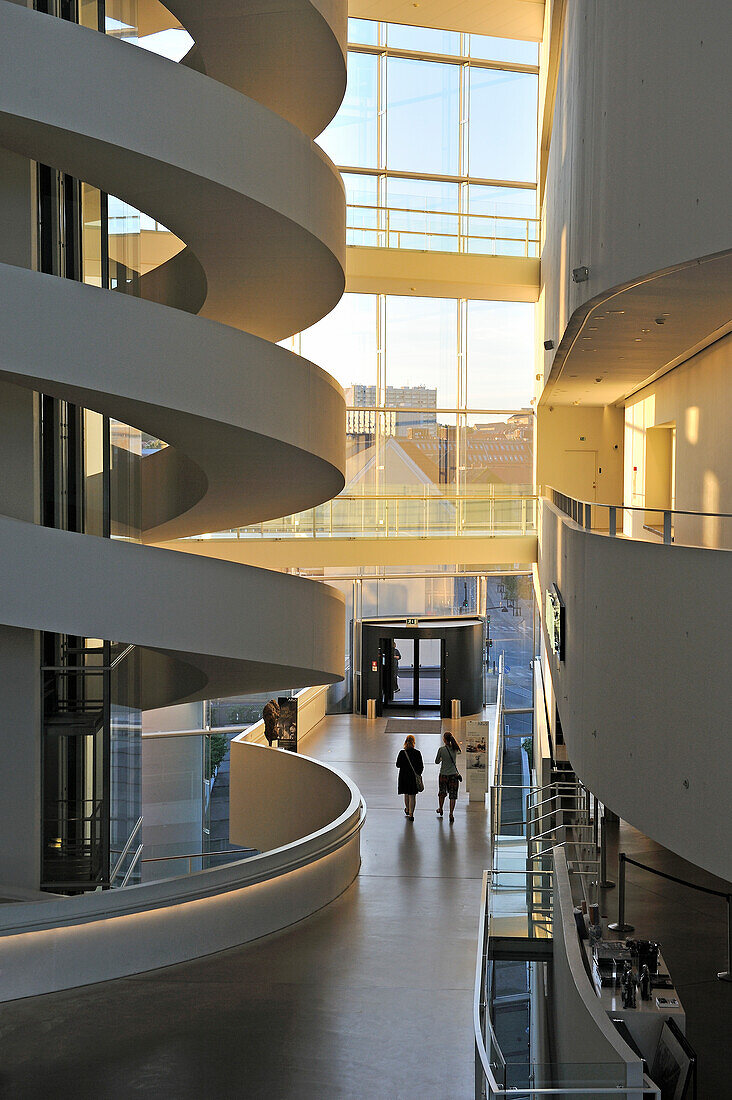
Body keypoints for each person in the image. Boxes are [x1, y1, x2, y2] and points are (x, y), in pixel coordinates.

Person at [435, 731, 462, 823]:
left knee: (442, 793)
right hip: (453, 775)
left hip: (443, 775)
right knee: (453, 795)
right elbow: (459, 752)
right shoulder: (455, 749)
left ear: (444, 740)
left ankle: (441, 808)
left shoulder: (441, 749)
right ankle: (451, 813)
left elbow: (436, 761)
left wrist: (443, 758)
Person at [396, 734, 423, 821]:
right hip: (413, 778)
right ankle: (411, 814)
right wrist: (418, 774)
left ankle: (407, 809)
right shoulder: (417, 753)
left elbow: (398, 765)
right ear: (414, 742)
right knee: (412, 796)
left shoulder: (402, 753)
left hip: (403, 777)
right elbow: (421, 766)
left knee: (406, 793)